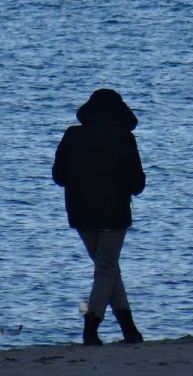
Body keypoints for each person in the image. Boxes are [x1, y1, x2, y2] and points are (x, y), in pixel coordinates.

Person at [53, 89, 147, 346]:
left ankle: (130, 329)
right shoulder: (124, 138)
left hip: (81, 214)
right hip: (115, 215)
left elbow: (59, 176)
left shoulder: (72, 135)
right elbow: (137, 184)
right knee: (106, 269)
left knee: (107, 269)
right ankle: (91, 328)